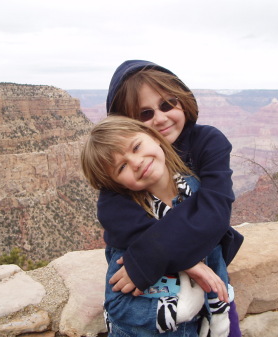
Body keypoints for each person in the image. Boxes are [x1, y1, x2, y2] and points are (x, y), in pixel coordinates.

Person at [98, 60, 243, 336]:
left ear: (183, 100)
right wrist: (185, 260)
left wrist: (151, 255)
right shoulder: (130, 163)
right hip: (158, 298)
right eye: (144, 113)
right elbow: (114, 214)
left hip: (213, 279)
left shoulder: (207, 142)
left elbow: (214, 213)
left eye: (167, 104)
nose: (161, 118)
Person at [81, 116, 233, 336]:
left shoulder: (197, 195)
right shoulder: (131, 228)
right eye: (122, 167)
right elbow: (117, 306)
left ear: (155, 137)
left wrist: (219, 316)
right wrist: (178, 311)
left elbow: (214, 260)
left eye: (136, 146)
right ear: (117, 185)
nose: (136, 162)